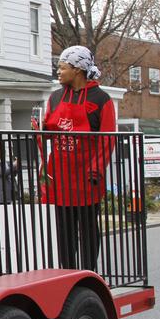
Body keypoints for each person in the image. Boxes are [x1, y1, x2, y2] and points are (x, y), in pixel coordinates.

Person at [40, 46, 116, 272]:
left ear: (77, 70)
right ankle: (68, 273)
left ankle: (90, 271)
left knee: (89, 228)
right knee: (64, 231)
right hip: (61, 174)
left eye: (63, 68)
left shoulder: (101, 99)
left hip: (87, 176)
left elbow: (107, 139)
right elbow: (49, 128)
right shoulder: (55, 97)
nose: (59, 72)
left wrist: (96, 170)